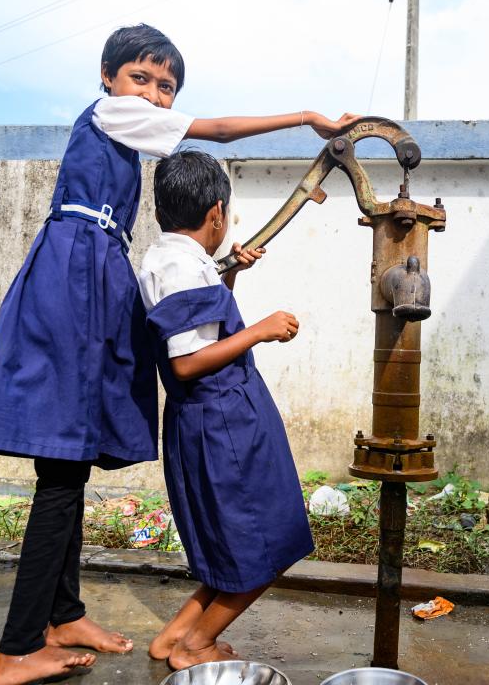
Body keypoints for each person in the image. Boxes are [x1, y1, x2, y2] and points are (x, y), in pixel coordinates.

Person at [0, 23, 355, 685]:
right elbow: (223, 131)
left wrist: (228, 266)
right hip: (75, 277)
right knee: (62, 463)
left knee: (72, 459)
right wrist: (308, 118)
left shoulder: (129, 170)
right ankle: (17, 648)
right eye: (141, 79)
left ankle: (61, 615)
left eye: (166, 87)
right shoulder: (109, 114)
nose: (152, 95)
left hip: (96, 272)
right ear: (108, 78)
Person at [139, 150, 311, 670]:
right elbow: (188, 361)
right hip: (224, 421)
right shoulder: (181, 266)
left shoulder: (171, 258)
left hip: (208, 418)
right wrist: (262, 328)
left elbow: (201, 325)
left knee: (233, 542)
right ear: (216, 212)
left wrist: (230, 273)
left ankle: (175, 636)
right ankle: (196, 646)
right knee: (268, 542)